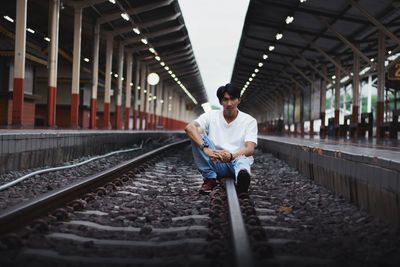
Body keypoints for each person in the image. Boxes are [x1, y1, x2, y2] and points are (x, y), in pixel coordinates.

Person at [184, 83, 258, 195]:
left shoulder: (249, 121)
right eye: (225, 99)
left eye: (233, 99)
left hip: (237, 162)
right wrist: (205, 148)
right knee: (195, 134)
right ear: (220, 101)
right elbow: (189, 128)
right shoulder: (211, 116)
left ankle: (242, 180)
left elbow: (250, 149)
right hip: (216, 161)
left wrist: (231, 156)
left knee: (243, 160)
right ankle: (210, 179)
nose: (229, 103)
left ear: (239, 100)